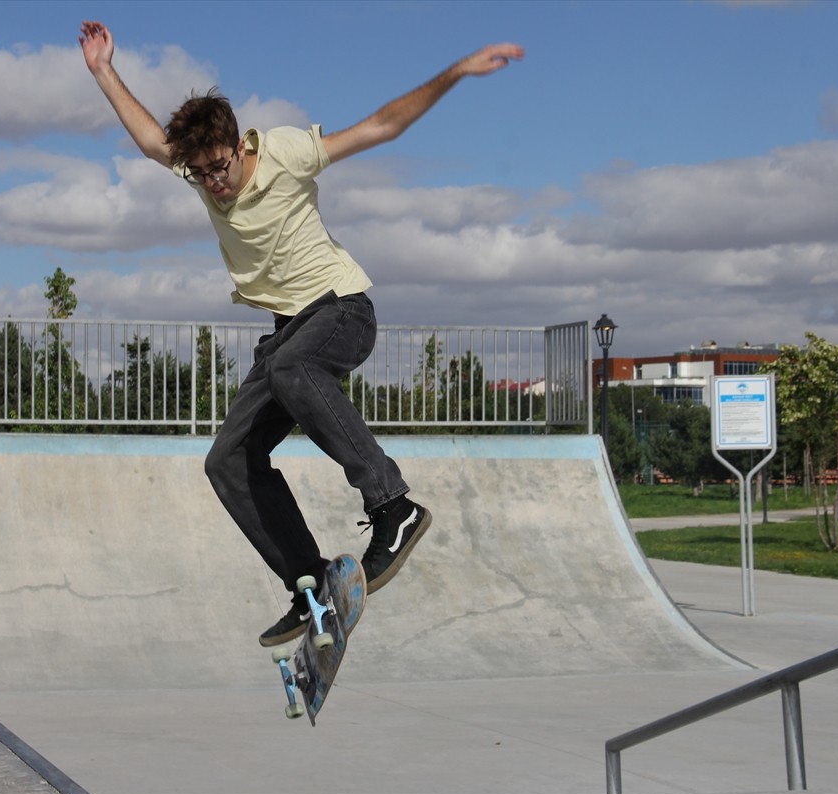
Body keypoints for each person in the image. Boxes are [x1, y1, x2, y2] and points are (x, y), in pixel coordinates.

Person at [80, 20, 523, 647]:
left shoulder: (286, 152)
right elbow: (154, 141)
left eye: (218, 168)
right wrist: (102, 70)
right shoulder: (195, 169)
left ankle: (393, 506)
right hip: (288, 332)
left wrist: (454, 71)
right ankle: (309, 585)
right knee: (227, 460)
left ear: (237, 145)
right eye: (199, 175)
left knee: (292, 371)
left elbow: (381, 126)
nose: (213, 184)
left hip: (341, 309)